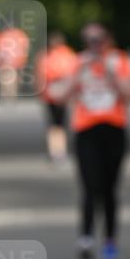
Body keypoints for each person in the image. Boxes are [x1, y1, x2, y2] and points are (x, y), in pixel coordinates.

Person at [69, 23, 130, 259]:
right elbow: (61, 94)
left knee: (109, 188)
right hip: (86, 130)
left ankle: (110, 239)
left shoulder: (119, 61)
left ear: (108, 39)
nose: (94, 45)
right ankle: (86, 237)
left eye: (98, 40)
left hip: (113, 128)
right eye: (89, 40)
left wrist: (109, 72)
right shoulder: (79, 62)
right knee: (89, 186)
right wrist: (79, 73)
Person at [35, 32, 78, 163]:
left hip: (52, 94)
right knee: (60, 123)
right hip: (61, 93)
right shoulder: (70, 55)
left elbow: (41, 76)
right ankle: (59, 150)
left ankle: (56, 151)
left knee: (54, 124)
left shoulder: (47, 56)